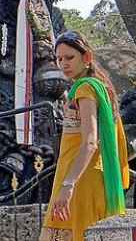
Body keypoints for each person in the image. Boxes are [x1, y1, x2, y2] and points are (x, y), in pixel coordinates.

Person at [39, 31, 130, 241]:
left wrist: (67, 186)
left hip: (79, 182)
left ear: (86, 57)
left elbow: (90, 141)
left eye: (69, 57)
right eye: (59, 59)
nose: (63, 64)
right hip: (92, 178)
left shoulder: (85, 89)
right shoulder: (101, 88)